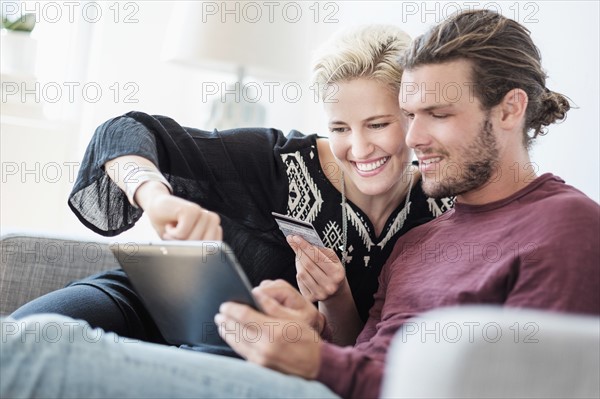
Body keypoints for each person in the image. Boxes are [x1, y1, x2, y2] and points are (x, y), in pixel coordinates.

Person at [2, 9, 598, 399]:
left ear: (510, 109)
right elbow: (363, 351)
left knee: (32, 352)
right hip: (279, 364)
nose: (412, 139)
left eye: (431, 117)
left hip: (302, 379)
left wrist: (315, 356)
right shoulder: (423, 239)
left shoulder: (559, 226)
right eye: (411, 116)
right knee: (36, 337)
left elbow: (527, 381)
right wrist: (311, 323)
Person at [10, 25, 450, 346]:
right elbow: (124, 131)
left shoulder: (441, 208)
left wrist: (334, 299)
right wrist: (155, 196)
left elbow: (364, 357)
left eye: (377, 124)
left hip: (235, 355)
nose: (358, 148)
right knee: (21, 342)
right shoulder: (277, 161)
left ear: (413, 115)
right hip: (141, 305)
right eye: (339, 127)